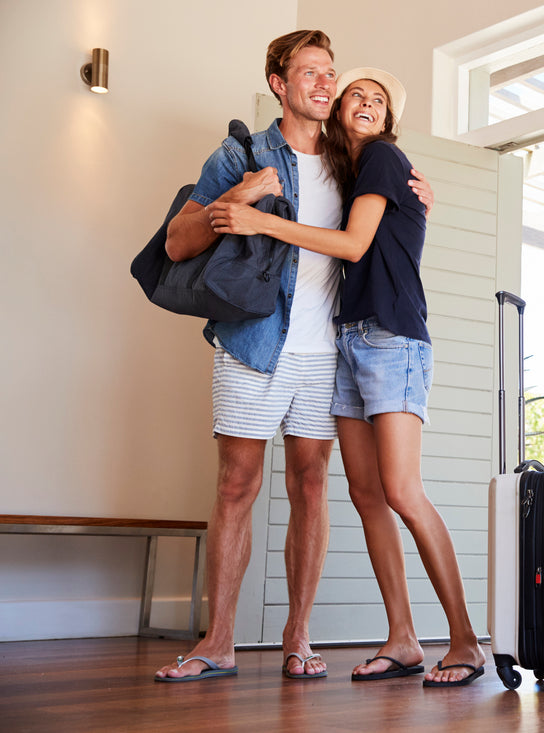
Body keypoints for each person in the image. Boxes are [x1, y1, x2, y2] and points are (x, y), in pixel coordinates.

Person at [154, 33, 434, 682]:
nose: (324, 84)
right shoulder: (243, 152)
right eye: (309, 72)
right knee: (236, 485)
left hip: (325, 354)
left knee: (312, 486)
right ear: (279, 83)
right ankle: (218, 640)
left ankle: (297, 637)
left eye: (329, 74)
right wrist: (240, 198)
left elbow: (389, 227)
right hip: (254, 343)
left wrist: (427, 197)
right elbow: (177, 239)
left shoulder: (355, 160)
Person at [207, 67, 486, 687]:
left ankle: (465, 640)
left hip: (392, 339)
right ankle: (404, 640)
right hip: (348, 339)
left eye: (378, 99)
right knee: (364, 496)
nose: (364, 101)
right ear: (337, 111)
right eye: (355, 93)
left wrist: (263, 223)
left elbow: (356, 245)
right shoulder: (350, 173)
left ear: (390, 121)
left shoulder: (386, 158)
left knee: (401, 490)